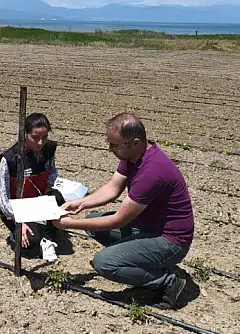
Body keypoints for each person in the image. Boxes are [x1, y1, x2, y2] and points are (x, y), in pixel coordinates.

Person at [54, 113, 194, 310]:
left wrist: (68, 224)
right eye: (109, 143)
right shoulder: (134, 155)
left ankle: (167, 281)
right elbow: (113, 188)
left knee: (105, 263)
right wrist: (81, 203)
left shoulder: (152, 172)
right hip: (149, 228)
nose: (111, 149)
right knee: (94, 223)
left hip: (171, 241)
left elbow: (118, 220)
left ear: (135, 142)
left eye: (115, 145)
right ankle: (142, 262)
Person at [0, 113, 65, 263]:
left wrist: (48, 186)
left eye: (45, 137)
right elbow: (3, 200)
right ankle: (18, 233)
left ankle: (47, 240)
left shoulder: (49, 149)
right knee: (29, 244)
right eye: (35, 138)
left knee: (58, 198)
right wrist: (19, 222)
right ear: (25, 134)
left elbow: (52, 170)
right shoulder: (10, 159)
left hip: (36, 199)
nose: (41, 142)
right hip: (17, 207)